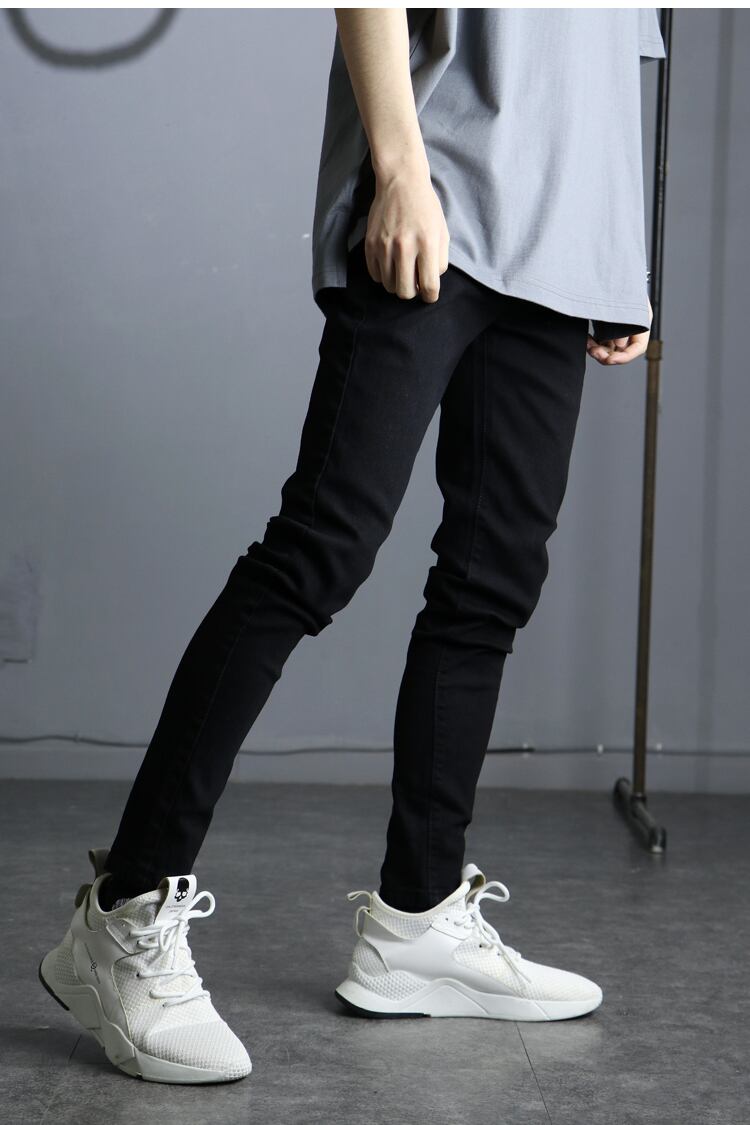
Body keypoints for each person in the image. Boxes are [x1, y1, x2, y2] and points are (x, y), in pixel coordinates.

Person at [38, 7, 666, 1084]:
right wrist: (399, 170)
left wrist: (617, 253)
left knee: (493, 581)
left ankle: (418, 920)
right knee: (316, 552)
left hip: (567, 242)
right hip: (438, 198)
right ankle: (123, 912)